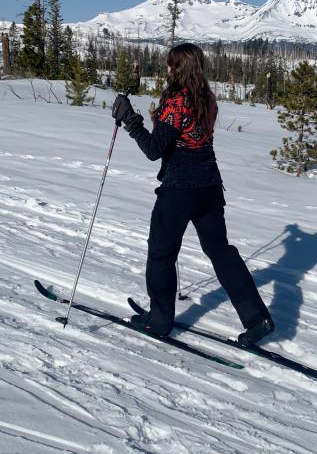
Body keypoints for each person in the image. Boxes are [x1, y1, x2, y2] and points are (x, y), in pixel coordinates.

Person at [111, 43, 275, 346]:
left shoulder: (177, 100)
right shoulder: (207, 98)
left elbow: (153, 149)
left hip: (179, 189)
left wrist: (130, 120)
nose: (167, 69)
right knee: (220, 251)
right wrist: (158, 120)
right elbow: (187, 135)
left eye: (171, 64)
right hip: (210, 187)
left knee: (161, 251)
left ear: (180, 68)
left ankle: (160, 319)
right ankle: (257, 318)